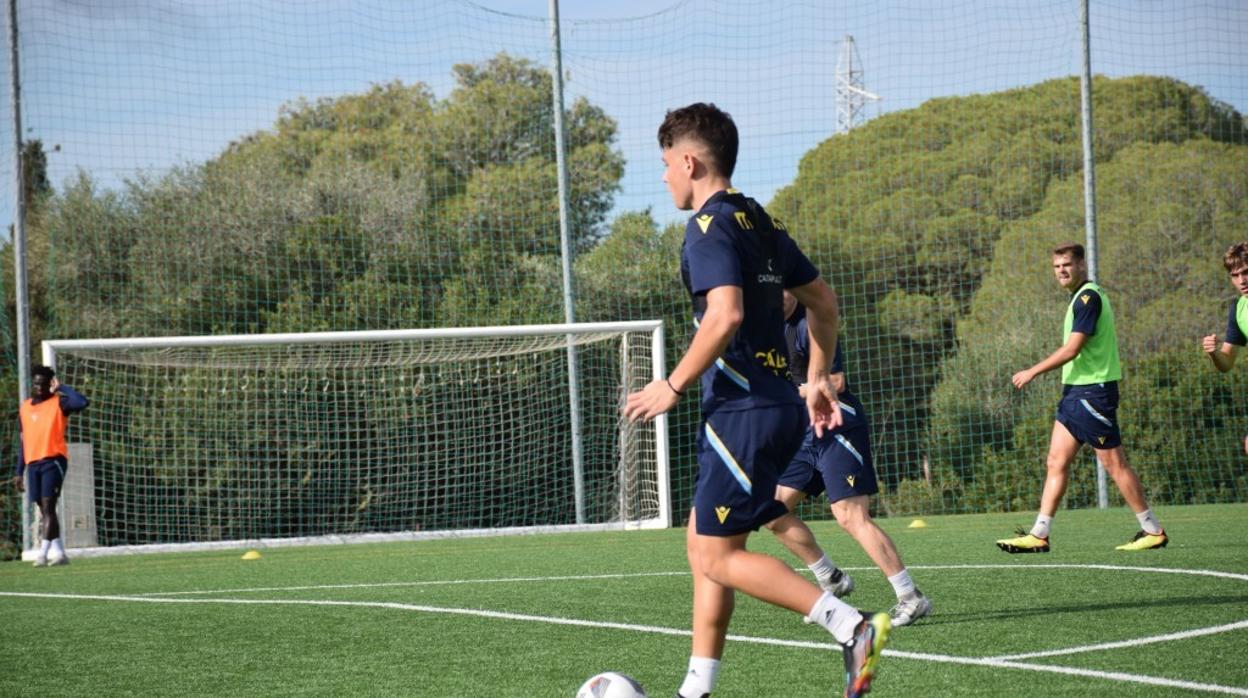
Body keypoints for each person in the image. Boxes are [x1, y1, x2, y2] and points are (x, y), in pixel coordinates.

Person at [624, 103, 888, 698]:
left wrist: (670, 386)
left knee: (718, 558)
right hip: (774, 405)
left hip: (740, 411)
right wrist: (817, 377)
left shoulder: (708, 228)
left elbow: (726, 314)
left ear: (689, 162)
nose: (664, 176)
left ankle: (850, 626)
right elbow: (824, 301)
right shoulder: (760, 222)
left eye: (666, 164)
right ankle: (696, 687)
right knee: (704, 546)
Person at [765, 291, 932, 626]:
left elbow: (836, 380)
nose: (780, 296)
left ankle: (910, 597)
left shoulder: (810, 323)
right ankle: (831, 579)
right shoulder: (765, 328)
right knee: (772, 511)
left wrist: (787, 392)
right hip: (804, 433)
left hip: (838, 426)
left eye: (786, 288)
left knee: (849, 516)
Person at [996, 243, 1168, 554]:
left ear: (1081, 265)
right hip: (1075, 393)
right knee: (1055, 461)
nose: (1061, 270)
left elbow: (1072, 349)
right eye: (1056, 266)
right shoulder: (1078, 298)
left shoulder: (1088, 298)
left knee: (1114, 464)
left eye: (1067, 264)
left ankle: (1152, 529)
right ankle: (1039, 533)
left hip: (1093, 393)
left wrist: (1032, 371)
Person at [13, 365, 89, 566]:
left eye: (44, 383)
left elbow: (82, 402)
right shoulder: (25, 407)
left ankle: (43, 554)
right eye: (36, 383)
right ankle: (60, 553)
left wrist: (62, 387)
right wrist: (19, 471)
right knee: (44, 508)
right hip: (33, 463)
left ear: (50, 384)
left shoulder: (60, 403)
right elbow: (24, 441)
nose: (39, 387)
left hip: (53, 460)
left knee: (48, 506)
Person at [1200, 241, 1248, 455]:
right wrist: (1214, 353)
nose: (1242, 280)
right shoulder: (1238, 310)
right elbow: (1227, 362)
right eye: (1235, 275)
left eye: (1246, 272)